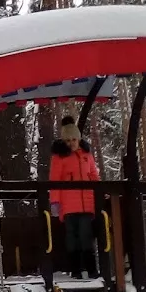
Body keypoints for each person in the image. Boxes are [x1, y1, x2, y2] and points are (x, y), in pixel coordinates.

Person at [49, 115, 100, 278]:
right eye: (68, 140)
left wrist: (99, 192)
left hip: (87, 203)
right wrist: (55, 201)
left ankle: (91, 270)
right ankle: (76, 270)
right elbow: (54, 179)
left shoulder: (87, 155)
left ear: (78, 139)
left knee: (86, 236)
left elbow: (93, 175)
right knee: (72, 237)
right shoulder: (59, 157)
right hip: (69, 205)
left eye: (73, 139)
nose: (71, 143)